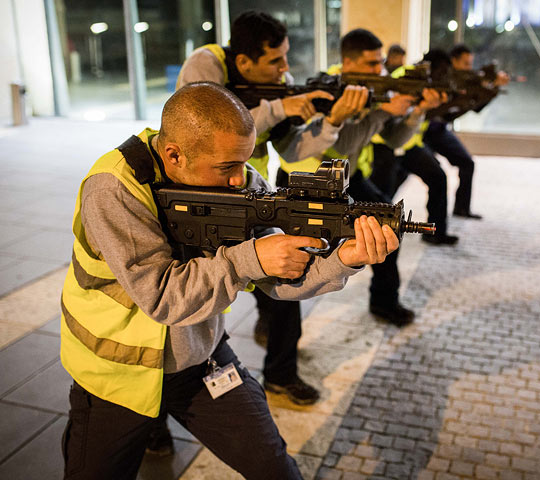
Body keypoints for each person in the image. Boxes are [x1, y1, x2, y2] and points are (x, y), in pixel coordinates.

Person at [60, 81, 398, 480]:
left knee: (275, 469)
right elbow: (164, 297)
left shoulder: (240, 178)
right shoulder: (114, 188)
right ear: (174, 155)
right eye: (227, 168)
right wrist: (248, 259)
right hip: (116, 376)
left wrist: (344, 259)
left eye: (244, 162)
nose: (242, 179)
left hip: (199, 360)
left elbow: (279, 279)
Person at [176, 10, 369, 406]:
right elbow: (203, 127)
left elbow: (293, 148)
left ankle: (281, 376)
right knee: (183, 307)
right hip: (204, 200)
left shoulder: (275, 86)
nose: (285, 70)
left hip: (254, 200)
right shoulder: (206, 64)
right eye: (275, 61)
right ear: (244, 63)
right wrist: (281, 108)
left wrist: (332, 119)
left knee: (285, 286)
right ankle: (155, 418)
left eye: (286, 57)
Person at [280, 28, 443, 326]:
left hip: (347, 177)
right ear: (348, 62)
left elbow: (394, 140)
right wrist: (381, 111)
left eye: (380, 63)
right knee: (289, 263)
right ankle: (274, 329)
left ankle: (384, 303)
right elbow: (342, 144)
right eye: (371, 64)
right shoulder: (324, 90)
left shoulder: (372, 89)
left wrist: (417, 110)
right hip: (305, 181)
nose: (379, 70)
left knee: (389, 227)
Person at [370, 49, 460, 246]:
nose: (444, 77)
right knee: (380, 200)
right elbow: (392, 121)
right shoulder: (403, 78)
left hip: (409, 144)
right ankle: (372, 240)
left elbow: (422, 118)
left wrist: (432, 105)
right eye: (443, 72)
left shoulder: (428, 85)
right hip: (384, 145)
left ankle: (436, 232)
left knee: (438, 178)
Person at [422, 43, 509, 220]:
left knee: (466, 164)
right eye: (465, 64)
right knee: (429, 176)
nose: (469, 68)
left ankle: (461, 209)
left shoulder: (465, 80)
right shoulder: (440, 76)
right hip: (420, 131)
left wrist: (491, 88)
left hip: (437, 129)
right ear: (453, 61)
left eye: (471, 64)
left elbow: (474, 106)